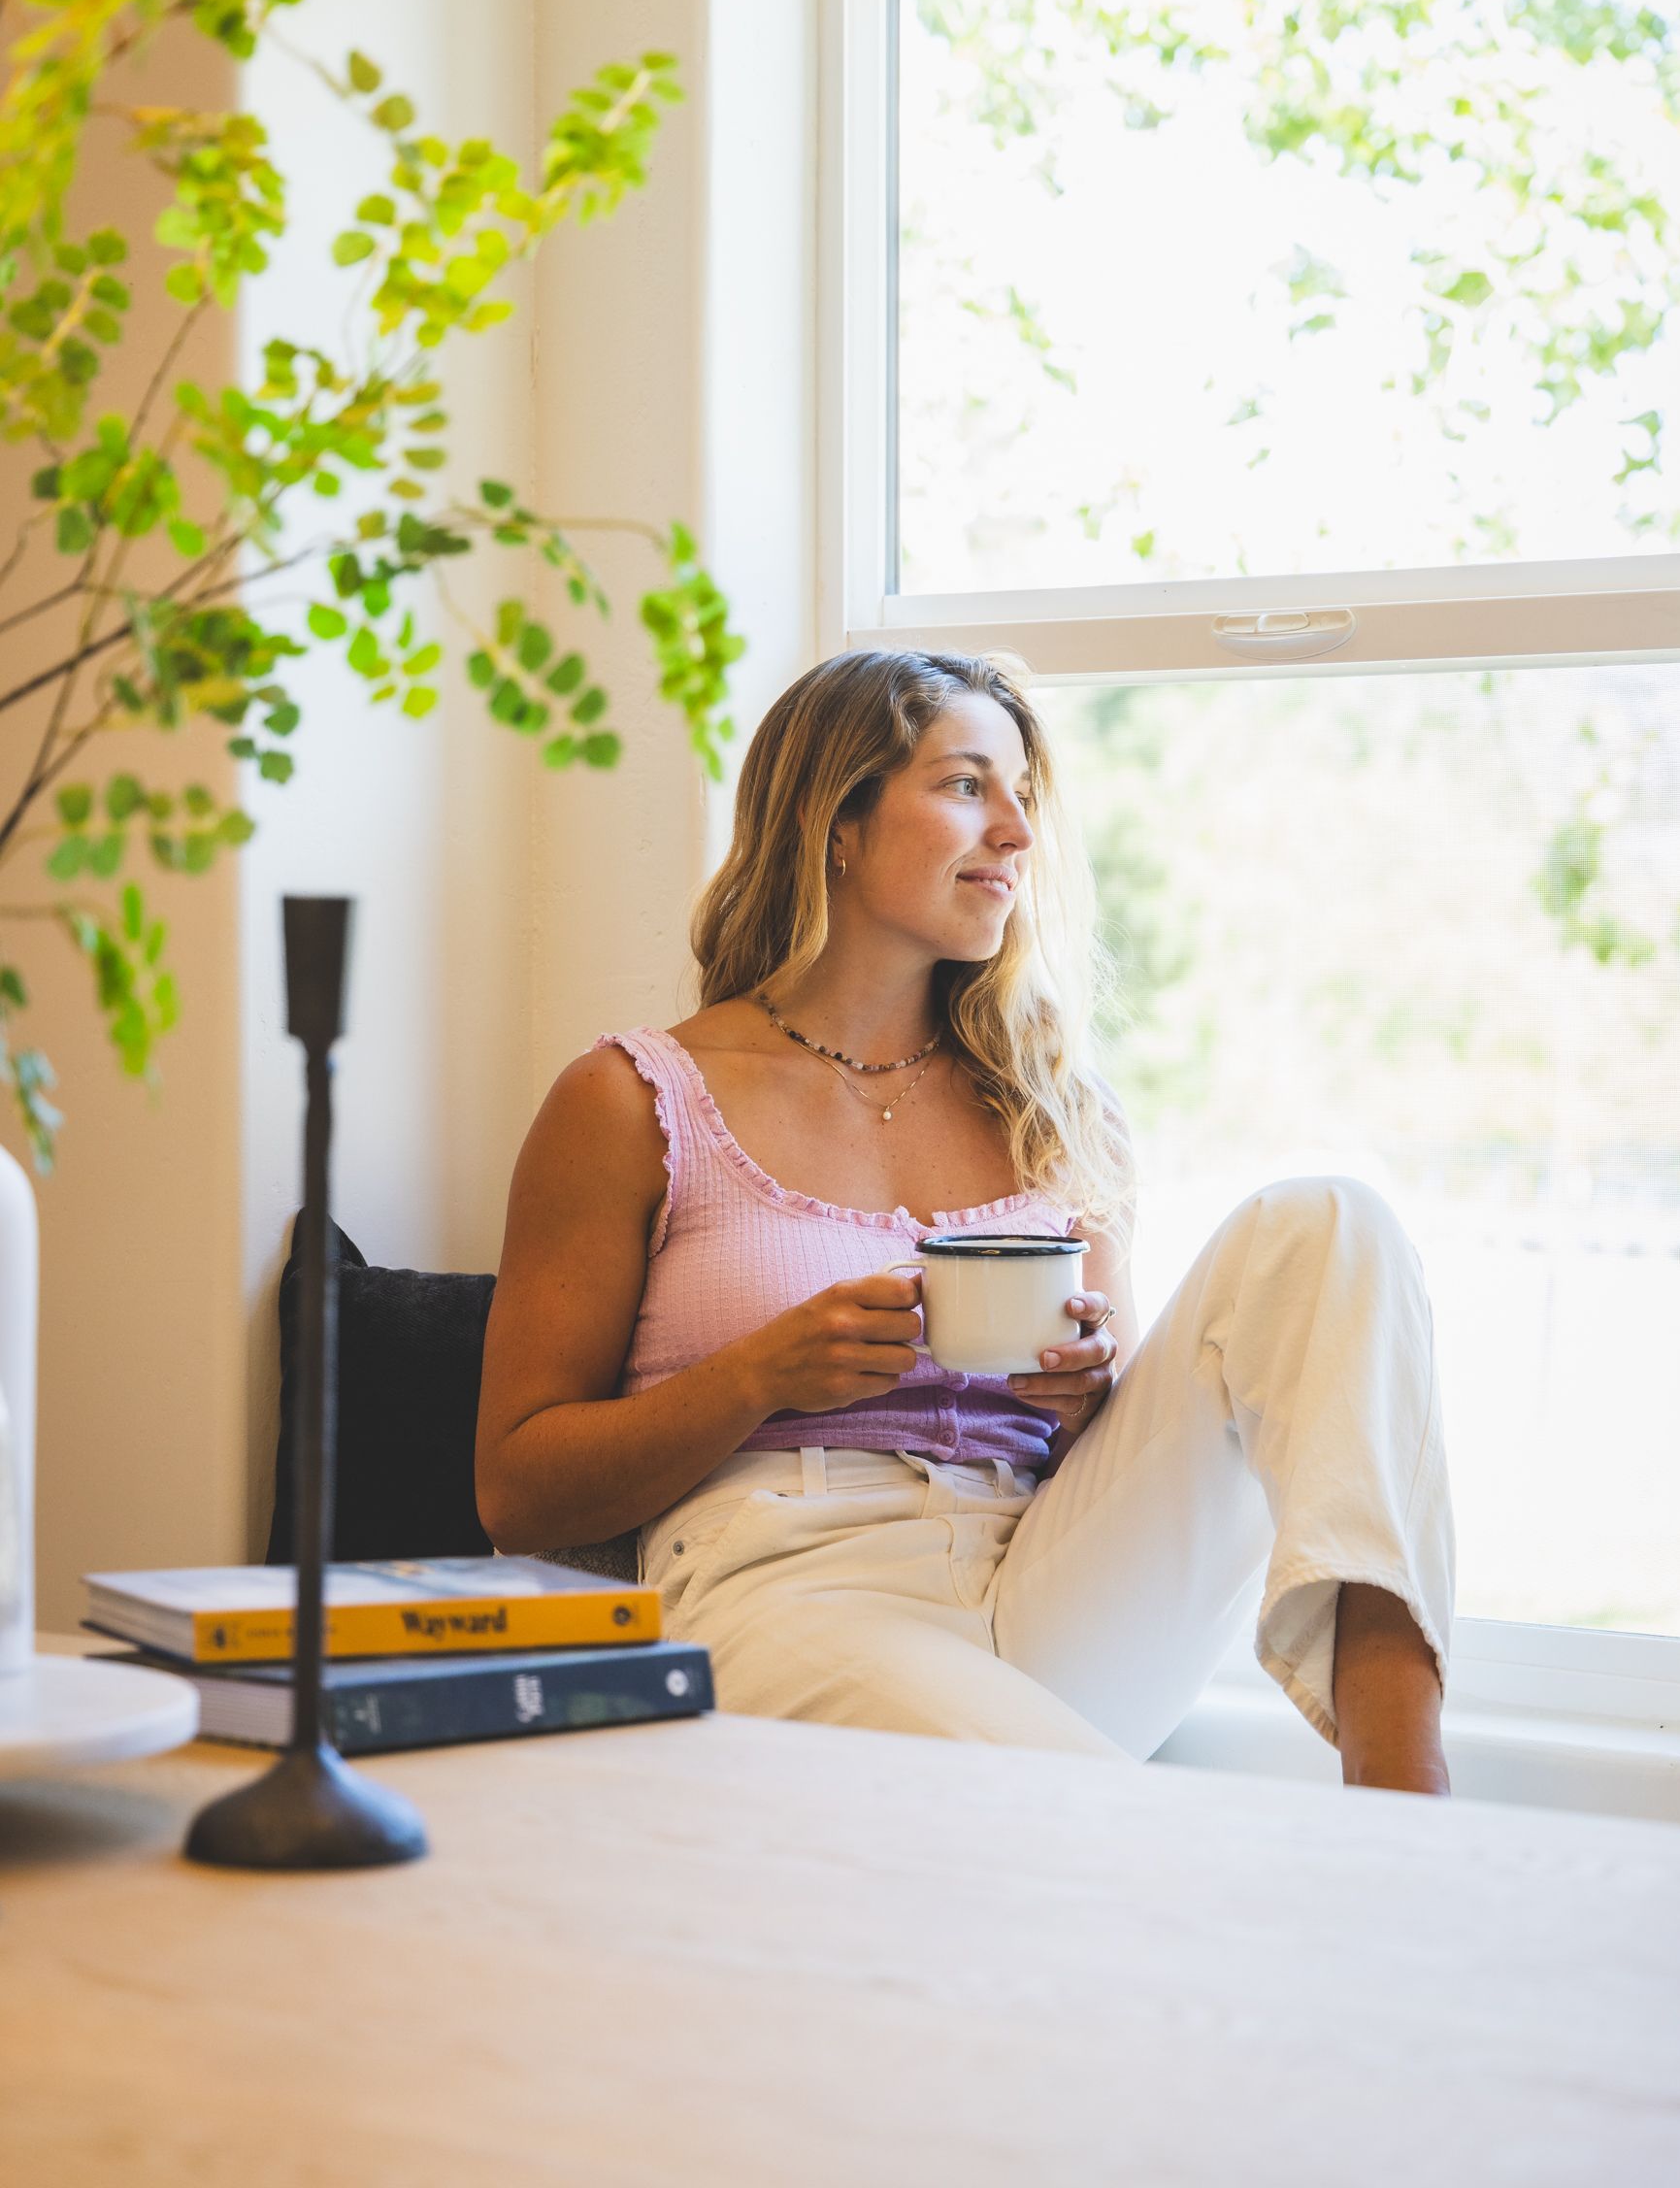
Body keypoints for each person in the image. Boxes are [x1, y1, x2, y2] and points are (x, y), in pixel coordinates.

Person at [477, 647, 1454, 1791]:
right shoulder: (631, 1097)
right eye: (964, 786)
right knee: (1088, 1825)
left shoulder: (1053, 1106)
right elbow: (516, 1489)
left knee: (1328, 1220)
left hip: (1049, 1574)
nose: (1016, 833)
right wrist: (762, 1372)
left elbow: (1108, 1442)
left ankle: (1404, 1798)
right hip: (786, 1577)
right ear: (834, 817)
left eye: (1022, 797)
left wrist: (1085, 1390)